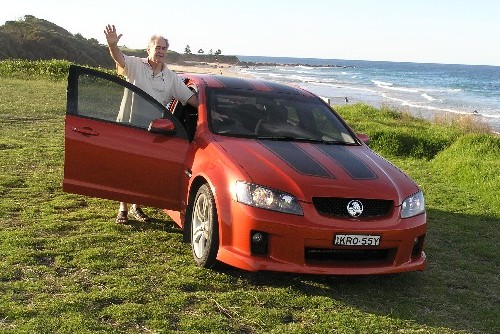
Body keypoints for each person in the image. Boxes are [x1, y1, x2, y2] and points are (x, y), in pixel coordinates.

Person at [104, 24, 199, 224]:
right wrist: (112, 45)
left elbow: (190, 99)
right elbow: (119, 57)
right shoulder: (135, 65)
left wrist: (216, 109)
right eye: (158, 47)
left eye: (164, 48)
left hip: (153, 130)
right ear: (149, 49)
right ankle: (122, 208)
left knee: (142, 169)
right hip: (129, 125)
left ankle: (137, 207)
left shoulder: (171, 77)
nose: (161, 51)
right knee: (126, 167)